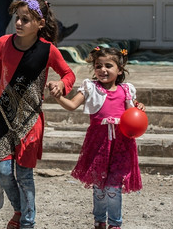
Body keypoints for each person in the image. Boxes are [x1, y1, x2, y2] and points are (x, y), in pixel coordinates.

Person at [0, 0, 75, 229]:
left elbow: (69, 74)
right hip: (3, 117)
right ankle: (19, 210)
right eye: (17, 18)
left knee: (25, 176)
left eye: (25, 19)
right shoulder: (3, 43)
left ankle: (28, 222)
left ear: (40, 23)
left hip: (30, 121)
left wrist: (62, 86)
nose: (18, 23)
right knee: (4, 171)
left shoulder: (49, 51)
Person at [51, 47, 144, 229]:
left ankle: (115, 224)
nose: (103, 70)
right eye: (98, 66)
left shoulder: (127, 90)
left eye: (108, 65)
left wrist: (139, 107)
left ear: (120, 69)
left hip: (121, 143)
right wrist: (58, 97)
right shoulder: (90, 87)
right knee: (99, 186)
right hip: (98, 143)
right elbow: (71, 105)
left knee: (113, 187)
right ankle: (99, 220)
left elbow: (133, 112)